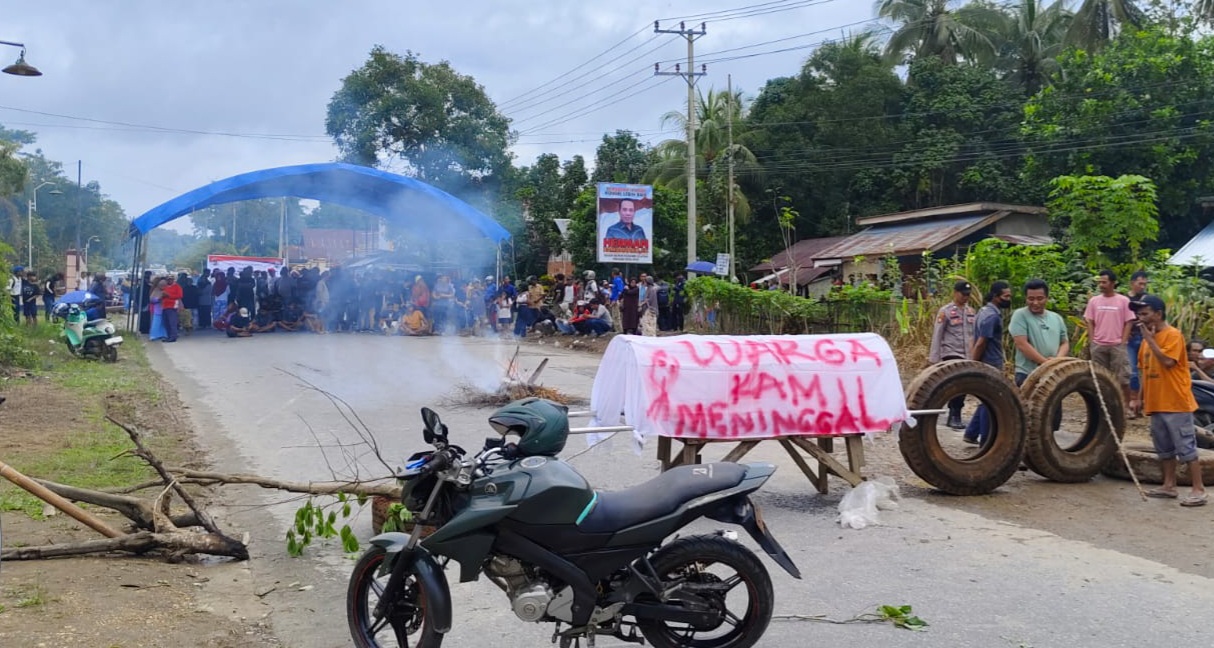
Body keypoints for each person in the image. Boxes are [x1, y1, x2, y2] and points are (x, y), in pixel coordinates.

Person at [1130, 294, 1207, 506]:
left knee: (1186, 445)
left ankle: (1198, 489)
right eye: (1139, 314)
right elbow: (1143, 370)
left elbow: (1167, 362)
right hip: (1156, 402)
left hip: (1175, 401)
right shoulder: (1146, 341)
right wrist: (1139, 398)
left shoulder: (1173, 335)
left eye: (1145, 313)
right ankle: (1169, 485)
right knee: (1163, 446)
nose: (1140, 318)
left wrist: (1150, 340)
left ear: (1158, 314)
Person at [964, 281, 1011, 445]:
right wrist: (973, 363)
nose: (1008, 299)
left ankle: (971, 432)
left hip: (986, 361)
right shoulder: (992, 316)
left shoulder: (983, 311)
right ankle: (986, 439)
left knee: (985, 399)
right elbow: (981, 342)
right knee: (990, 401)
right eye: (1006, 296)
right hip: (991, 362)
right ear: (996, 296)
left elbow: (973, 338)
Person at [928, 280, 976, 429]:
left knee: (964, 385)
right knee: (955, 384)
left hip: (967, 354)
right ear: (955, 293)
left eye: (968, 295)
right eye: (963, 294)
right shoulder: (946, 311)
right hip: (951, 353)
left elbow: (974, 333)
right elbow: (938, 334)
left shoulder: (971, 312)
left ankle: (956, 415)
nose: (965, 297)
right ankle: (953, 415)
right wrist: (934, 358)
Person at [1084, 269, 1136, 408]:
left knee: (1123, 379)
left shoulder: (1123, 301)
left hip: (1117, 345)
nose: (1101, 285)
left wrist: (1123, 341)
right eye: (1100, 282)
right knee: (1100, 378)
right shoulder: (1094, 301)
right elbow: (1090, 321)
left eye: (1104, 282)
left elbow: (1129, 322)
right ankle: (1103, 407)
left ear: (1113, 283)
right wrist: (1092, 340)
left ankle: (1125, 408)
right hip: (1098, 345)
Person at [1009, 279, 1070, 386]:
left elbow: (1064, 343)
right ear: (1026, 298)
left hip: (1053, 373)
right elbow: (1021, 344)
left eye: (1040, 298)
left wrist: (1057, 361)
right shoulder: (1020, 315)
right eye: (1031, 299)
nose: (1035, 302)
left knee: (1054, 403)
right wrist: (1046, 363)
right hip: (1028, 374)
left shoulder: (1056, 318)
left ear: (1047, 298)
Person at [1126, 270, 1148, 414]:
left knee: (1146, 369)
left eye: (1144, 284)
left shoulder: (1148, 299)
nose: (1142, 286)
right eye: (1140, 283)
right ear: (1132, 283)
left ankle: (1143, 400)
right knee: (1132, 370)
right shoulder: (1124, 299)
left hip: (1146, 337)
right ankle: (1133, 400)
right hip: (1130, 337)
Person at [161, 274, 183, 342]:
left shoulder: (177, 287)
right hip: (164, 306)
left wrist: (169, 295)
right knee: (166, 322)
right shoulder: (164, 287)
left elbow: (179, 295)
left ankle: (173, 336)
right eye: (168, 279)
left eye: (171, 279)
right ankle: (168, 336)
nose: (169, 280)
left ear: (173, 280)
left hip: (172, 306)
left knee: (172, 322)